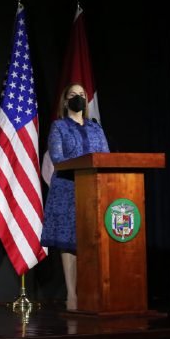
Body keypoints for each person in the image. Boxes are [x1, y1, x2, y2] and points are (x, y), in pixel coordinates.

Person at [41, 83, 109, 311]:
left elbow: (106, 158)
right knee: (69, 243)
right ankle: (72, 295)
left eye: (82, 95)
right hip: (67, 189)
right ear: (65, 101)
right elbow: (58, 159)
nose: (78, 98)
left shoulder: (96, 128)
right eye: (73, 95)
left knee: (93, 240)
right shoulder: (58, 127)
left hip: (94, 190)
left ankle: (93, 292)